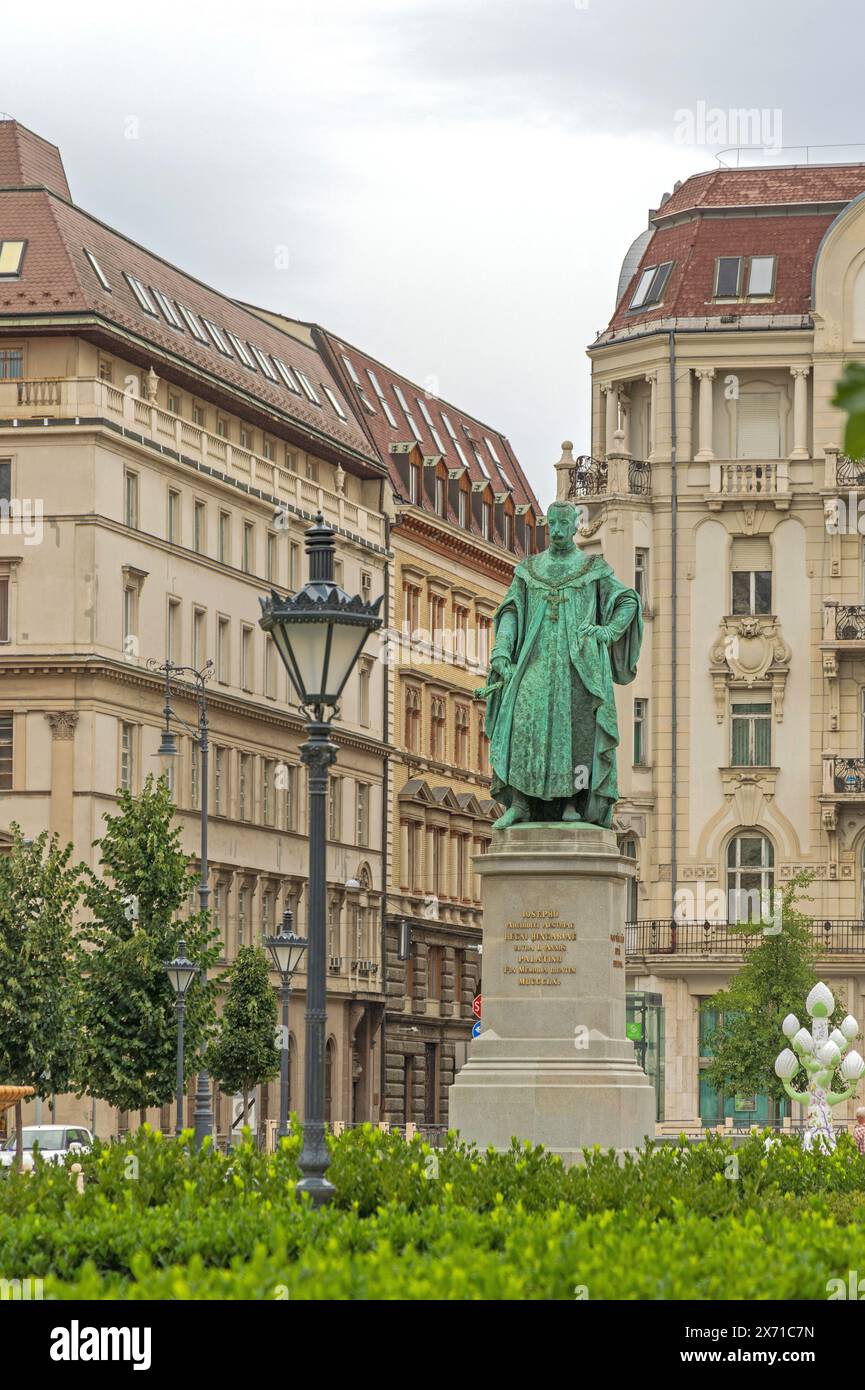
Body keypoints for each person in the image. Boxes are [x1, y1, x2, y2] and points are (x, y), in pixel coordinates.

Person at [482, 499, 642, 829]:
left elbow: (627, 599)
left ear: (574, 527)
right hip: (535, 660)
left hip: (577, 665)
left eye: (562, 524)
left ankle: (573, 801)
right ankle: (522, 802)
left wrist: (608, 631)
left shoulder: (592, 568)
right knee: (523, 723)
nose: (556, 530)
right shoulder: (529, 569)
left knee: (578, 732)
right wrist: (501, 651)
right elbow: (511, 611)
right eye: (551, 524)